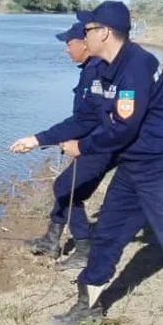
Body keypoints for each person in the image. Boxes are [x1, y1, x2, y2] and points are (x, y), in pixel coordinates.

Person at [53, 0, 163, 325]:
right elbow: (93, 118)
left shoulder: (137, 66)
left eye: (88, 30)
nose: (83, 35)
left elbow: (122, 127)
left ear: (104, 33)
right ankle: (88, 304)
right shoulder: (106, 68)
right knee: (107, 234)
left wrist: (82, 146)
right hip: (133, 166)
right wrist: (43, 138)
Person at [10, 21, 115, 270]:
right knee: (69, 188)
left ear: (85, 43)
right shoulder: (91, 68)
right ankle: (51, 239)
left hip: (103, 144)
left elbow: (87, 119)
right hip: (97, 140)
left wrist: (37, 140)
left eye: (69, 44)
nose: (66, 49)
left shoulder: (97, 71)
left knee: (65, 188)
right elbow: (87, 118)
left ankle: (84, 247)